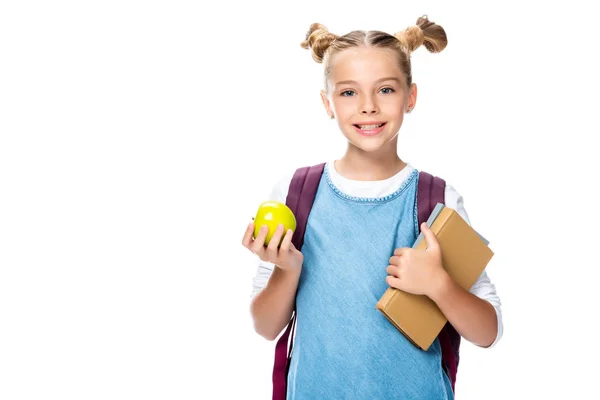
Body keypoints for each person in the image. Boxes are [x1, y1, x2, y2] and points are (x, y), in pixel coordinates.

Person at [242, 15, 503, 399]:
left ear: (410, 97)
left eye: (385, 90)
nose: (367, 107)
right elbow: (265, 327)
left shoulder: (437, 200)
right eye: (348, 93)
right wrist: (288, 269)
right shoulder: (296, 193)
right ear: (327, 103)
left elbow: (487, 332)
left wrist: (438, 284)